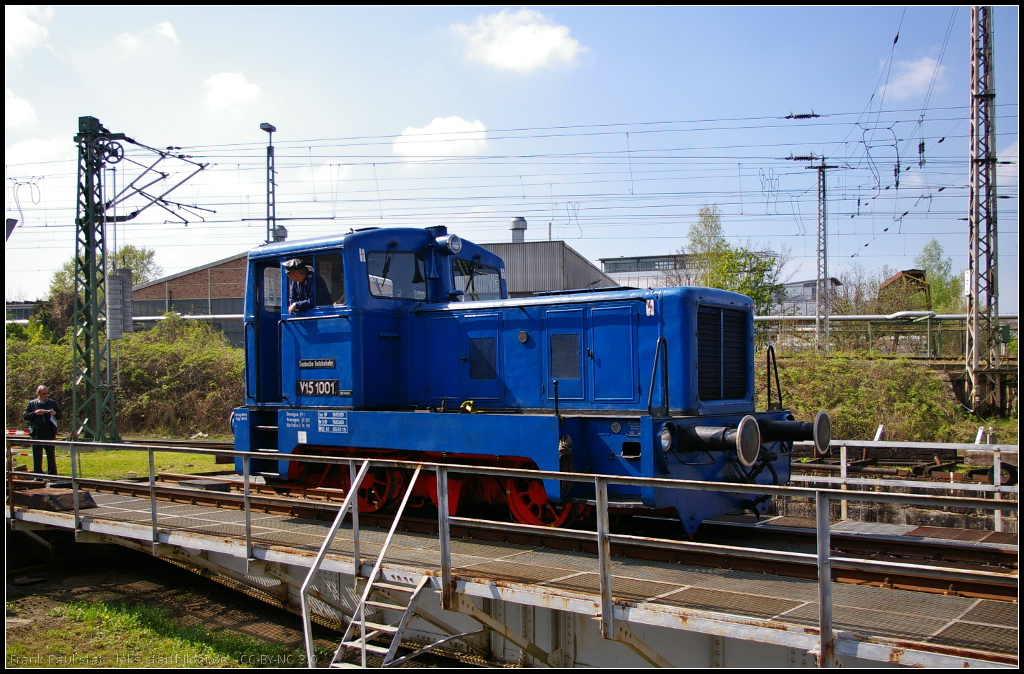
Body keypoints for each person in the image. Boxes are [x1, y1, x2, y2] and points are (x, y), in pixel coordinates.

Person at [24, 384, 61, 475]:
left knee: (51, 455)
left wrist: (55, 413)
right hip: (36, 433)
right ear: (38, 393)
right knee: (37, 455)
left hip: (49, 432)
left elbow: (60, 416)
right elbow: (25, 416)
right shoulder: (32, 403)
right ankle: (38, 473)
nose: (46, 395)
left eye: (47, 393)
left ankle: (52, 473)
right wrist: (35, 413)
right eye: (44, 393)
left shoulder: (52, 403)